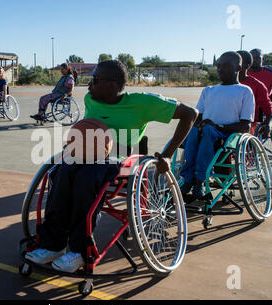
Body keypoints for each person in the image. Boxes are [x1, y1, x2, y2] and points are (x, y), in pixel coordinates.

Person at [25, 60, 198, 273]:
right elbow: (88, 134)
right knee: (61, 172)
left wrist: (168, 155)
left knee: (87, 177)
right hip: (91, 158)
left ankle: (80, 251)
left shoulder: (143, 102)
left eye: (94, 80)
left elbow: (191, 114)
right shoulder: (91, 99)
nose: (88, 85)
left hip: (125, 164)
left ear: (112, 85)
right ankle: (54, 245)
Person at [180, 51, 255, 199]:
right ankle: (188, 178)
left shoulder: (245, 91)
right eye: (219, 66)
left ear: (238, 68)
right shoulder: (209, 90)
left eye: (226, 66)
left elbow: (245, 125)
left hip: (227, 134)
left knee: (207, 130)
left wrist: (217, 127)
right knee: (194, 130)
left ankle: (200, 179)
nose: (220, 69)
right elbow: (198, 116)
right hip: (206, 131)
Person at [237, 50, 272, 138]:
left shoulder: (258, 86)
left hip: (247, 125)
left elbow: (269, 113)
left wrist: (269, 125)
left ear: (246, 65)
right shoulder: (219, 87)